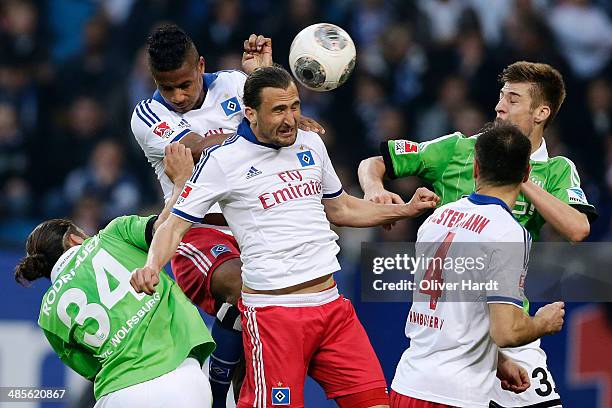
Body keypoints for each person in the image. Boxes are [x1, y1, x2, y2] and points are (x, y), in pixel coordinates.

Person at [131, 65, 441, 408]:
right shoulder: (222, 161)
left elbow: (342, 210)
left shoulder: (310, 143)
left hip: (332, 307)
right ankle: (218, 389)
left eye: (295, 107)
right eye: (279, 110)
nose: (291, 119)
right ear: (249, 113)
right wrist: (151, 266)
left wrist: (405, 209)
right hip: (276, 315)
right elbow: (175, 225)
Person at [358, 61, 597, 407]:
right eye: (501, 97)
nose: (499, 106)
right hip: (453, 327)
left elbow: (578, 229)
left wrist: (518, 175)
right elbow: (375, 162)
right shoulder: (460, 149)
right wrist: (373, 189)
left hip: (510, 320)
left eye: (513, 99)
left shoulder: (558, 169)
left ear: (542, 112)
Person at [130, 24, 323, 405]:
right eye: (167, 87)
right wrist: (263, 125)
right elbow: (200, 148)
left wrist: (266, 80)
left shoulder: (236, 82)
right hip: (196, 231)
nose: (178, 96)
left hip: (255, 224)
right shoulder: (148, 115)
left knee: (260, 328)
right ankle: (217, 394)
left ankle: (230, 389)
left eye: (185, 84)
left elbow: (276, 119)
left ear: (201, 65)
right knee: (246, 287)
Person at [14, 144, 215, 407]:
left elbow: (91, 367)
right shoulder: (114, 233)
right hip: (180, 380)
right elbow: (166, 228)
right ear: (75, 239)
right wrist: (181, 184)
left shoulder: (48, 315)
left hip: (118, 394)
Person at [390, 123, 565, 408]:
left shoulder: (437, 217)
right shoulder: (508, 232)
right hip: (456, 396)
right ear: (526, 175)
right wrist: (542, 323)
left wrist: (498, 362)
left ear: (475, 169)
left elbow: (455, 318)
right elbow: (506, 332)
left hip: (407, 384)